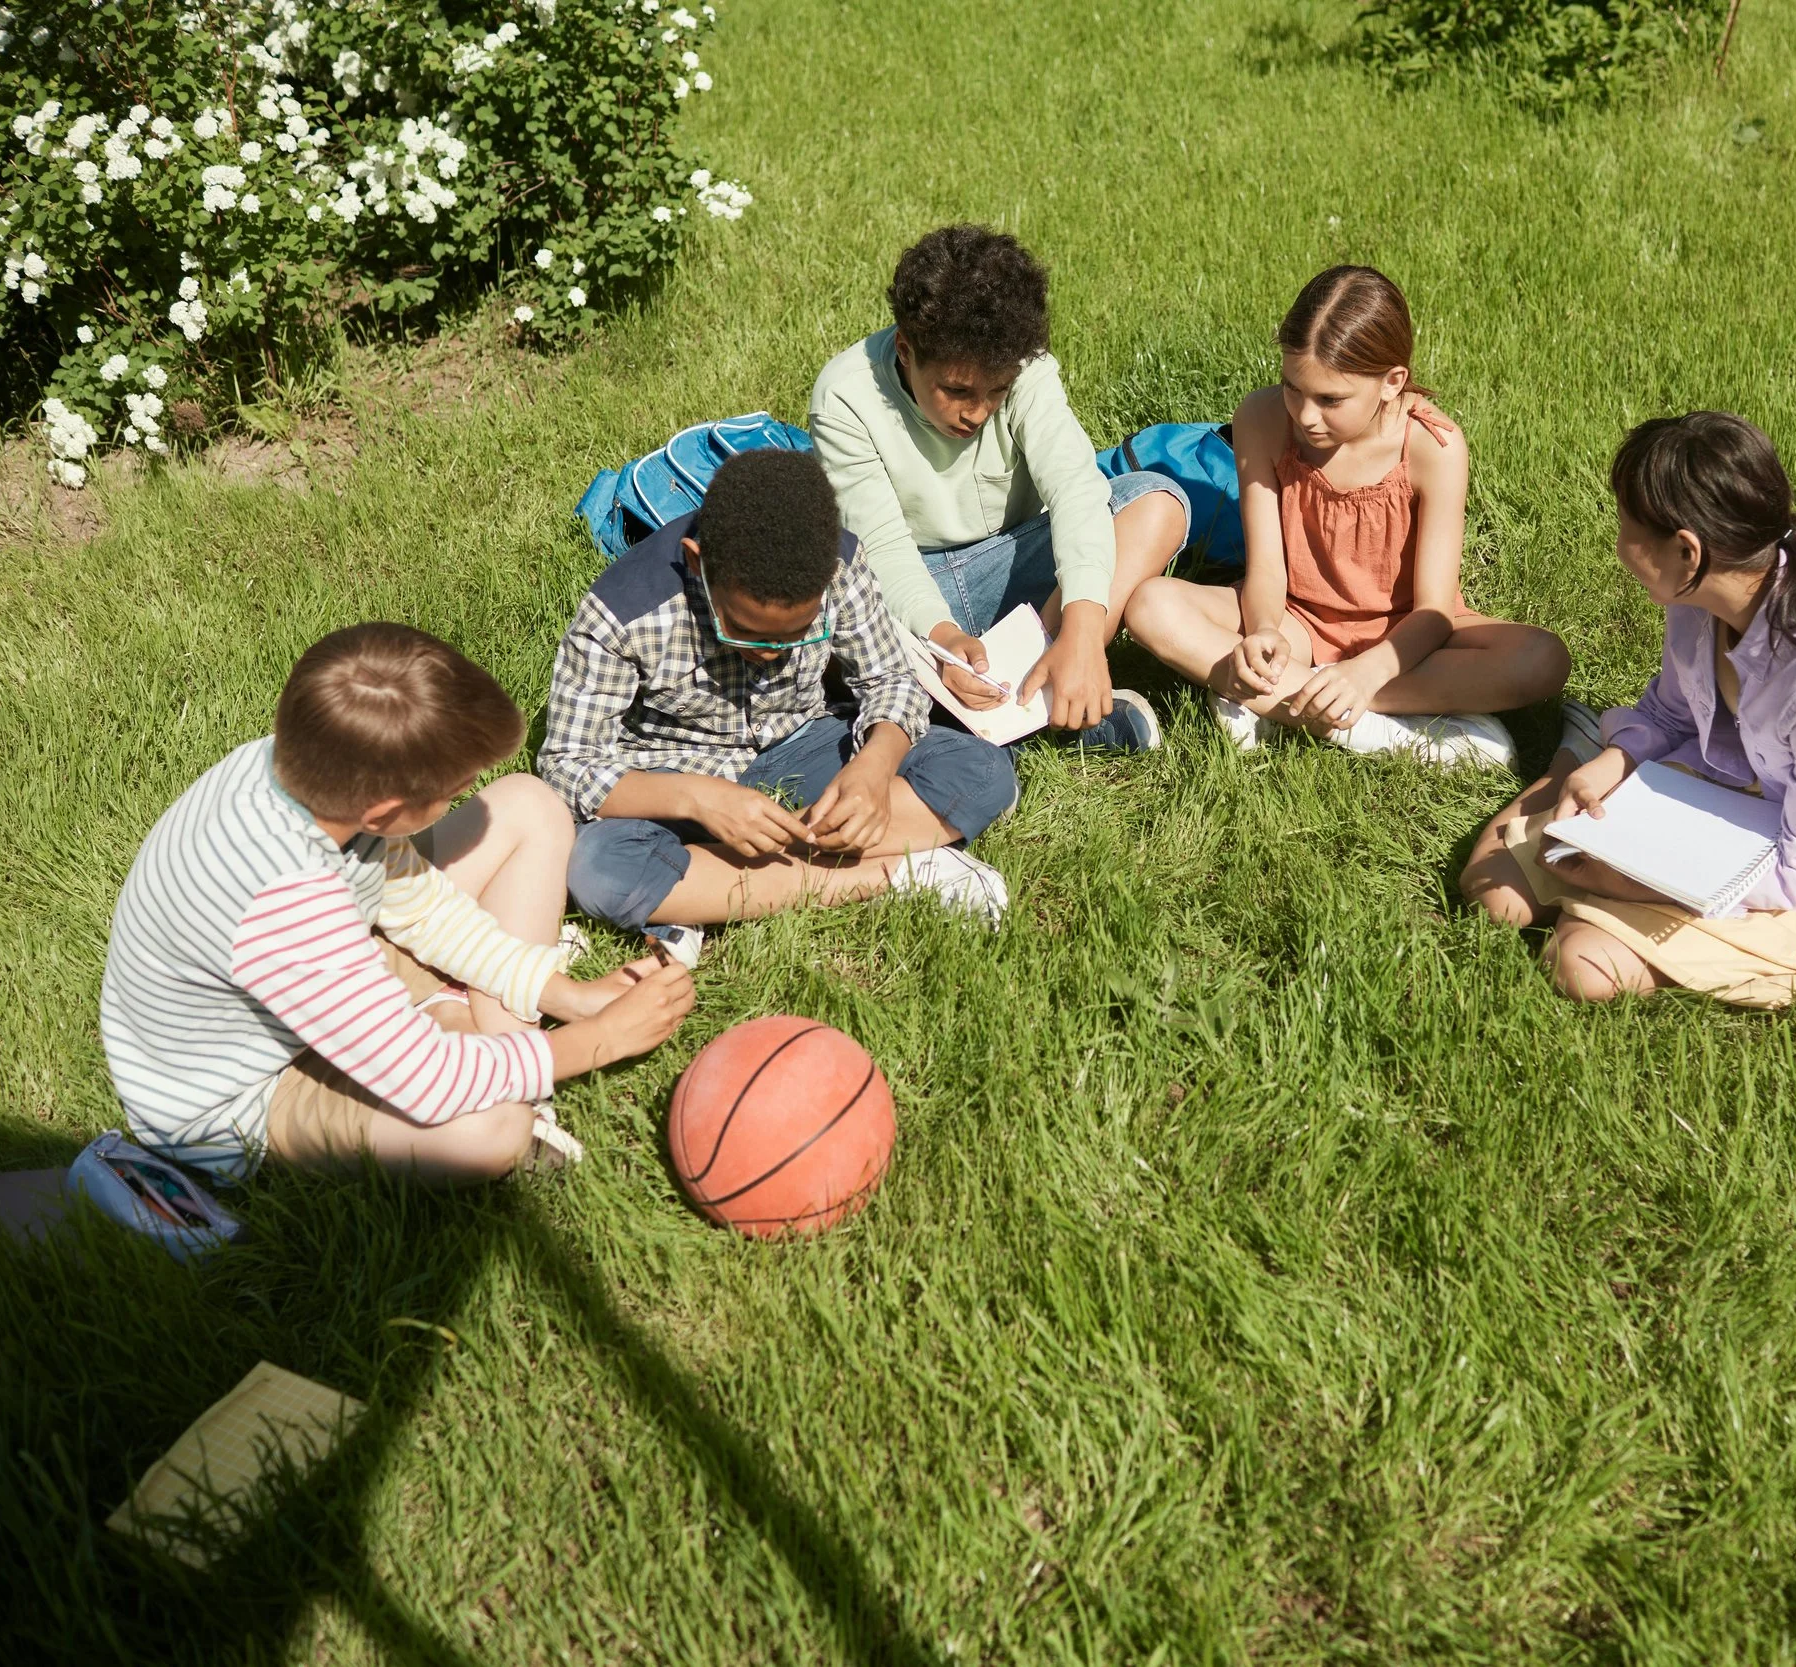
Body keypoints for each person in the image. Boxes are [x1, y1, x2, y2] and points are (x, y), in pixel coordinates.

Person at [99, 623, 697, 1185]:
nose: (463, 798)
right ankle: (479, 1040)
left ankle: (481, 1028)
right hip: (247, 1090)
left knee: (529, 805)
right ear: (385, 813)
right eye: (452, 794)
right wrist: (602, 1041)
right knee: (489, 1129)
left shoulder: (302, 769)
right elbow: (427, 1083)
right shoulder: (287, 904)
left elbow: (422, 908)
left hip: (316, 972)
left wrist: (570, 996)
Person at [1460, 411, 1796, 1008]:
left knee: (1581, 966)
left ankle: (1606, 902)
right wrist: (1611, 764)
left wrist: (1624, 879)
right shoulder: (1700, 593)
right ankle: (1572, 757)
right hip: (1721, 790)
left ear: (1686, 549)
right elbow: (1672, 715)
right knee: (1492, 899)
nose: (1618, 545)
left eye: (1626, 528)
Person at [542, 449, 1021, 937]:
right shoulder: (619, 615)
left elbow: (889, 680)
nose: (771, 653)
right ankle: (897, 870)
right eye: (746, 632)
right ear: (698, 562)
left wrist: (874, 767)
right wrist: (696, 799)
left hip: (803, 742)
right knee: (598, 868)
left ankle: (700, 890)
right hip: (674, 773)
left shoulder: (838, 561)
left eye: (797, 634)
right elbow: (568, 763)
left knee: (983, 770)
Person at [1122, 265, 1567, 768]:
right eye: (1293, 387)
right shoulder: (1261, 418)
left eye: (1330, 399)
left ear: (1391, 382)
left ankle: (1286, 700)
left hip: (1407, 638)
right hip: (1297, 620)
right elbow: (1267, 567)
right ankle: (1389, 731)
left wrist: (1366, 673)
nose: (1305, 415)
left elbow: (1435, 611)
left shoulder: (1434, 447)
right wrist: (1265, 629)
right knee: (1150, 605)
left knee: (1542, 659)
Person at [810, 223, 1189, 753]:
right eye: (956, 389)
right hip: (910, 588)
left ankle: (1045, 680)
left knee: (1156, 502)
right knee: (817, 612)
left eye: (998, 390)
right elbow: (882, 549)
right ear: (905, 350)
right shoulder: (845, 396)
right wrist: (940, 636)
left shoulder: (1027, 366)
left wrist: (1083, 625)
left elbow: (1076, 491)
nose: (978, 410)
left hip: (1018, 566)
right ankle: (1039, 710)